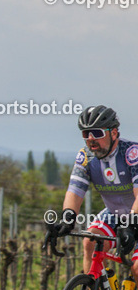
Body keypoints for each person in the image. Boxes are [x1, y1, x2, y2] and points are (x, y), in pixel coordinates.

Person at [48, 105, 138, 279]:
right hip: (115, 213)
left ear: (113, 133)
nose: (90, 139)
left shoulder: (132, 153)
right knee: (90, 242)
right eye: (85, 134)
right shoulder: (86, 157)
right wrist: (67, 218)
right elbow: (74, 191)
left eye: (97, 133)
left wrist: (131, 224)